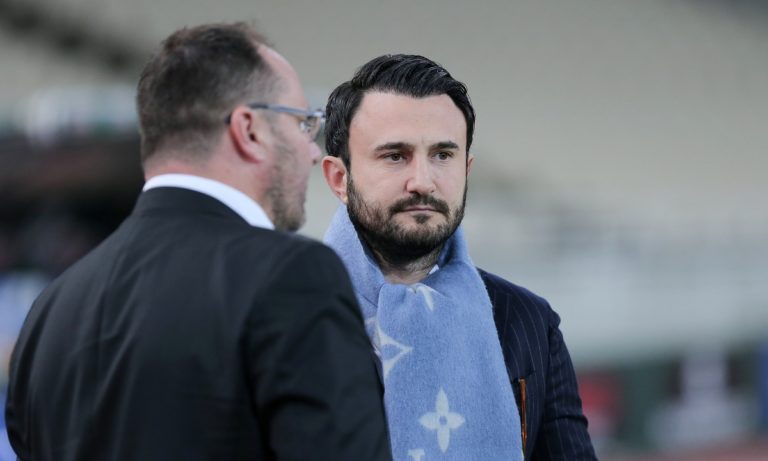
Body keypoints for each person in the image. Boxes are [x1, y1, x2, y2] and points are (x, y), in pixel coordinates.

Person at [5, 23, 392, 461]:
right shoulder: (293, 276)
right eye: (303, 124)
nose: (313, 151)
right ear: (249, 130)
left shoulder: (50, 311)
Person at [321, 54, 597, 461]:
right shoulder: (286, 315)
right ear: (339, 179)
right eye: (395, 156)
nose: (422, 182)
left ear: (466, 169)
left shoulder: (527, 321)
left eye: (442, 155)